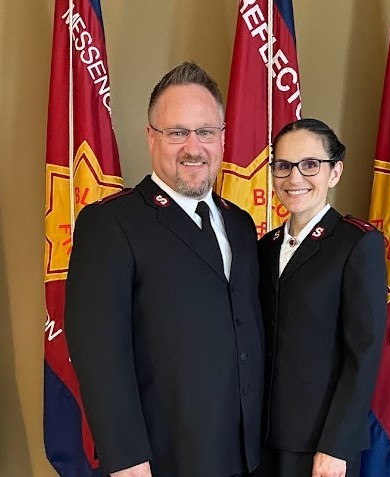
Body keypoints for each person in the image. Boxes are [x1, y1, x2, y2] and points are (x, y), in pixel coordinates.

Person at [65, 62, 264, 477]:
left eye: (206, 132)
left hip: (247, 454)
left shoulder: (241, 224)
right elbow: (98, 352)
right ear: (151, 138)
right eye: (177, 133)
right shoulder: (112, 223)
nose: (194, 147)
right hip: (163, 459)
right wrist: (126, 458)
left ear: (223, 138)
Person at [257, 119, 387, 477]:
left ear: (335, 172)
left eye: (310, 165)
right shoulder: (264, 248)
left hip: (319, 443)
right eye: (283, 166)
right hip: (260, 436)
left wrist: (336, 445)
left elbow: (363, 352)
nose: (294, 178)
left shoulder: (356, 244)